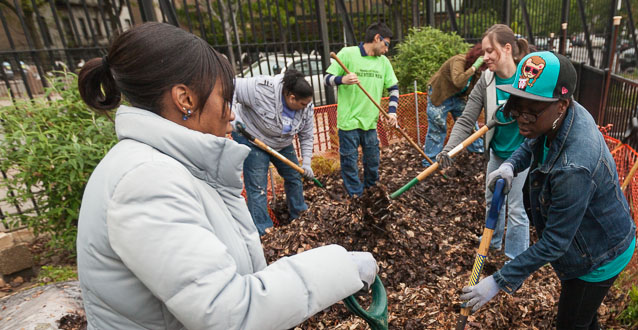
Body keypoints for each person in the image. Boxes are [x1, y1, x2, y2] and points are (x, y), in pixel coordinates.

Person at [76, 22, 378, 330]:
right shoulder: (146, 183)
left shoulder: (171, 169)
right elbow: (230, 314)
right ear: (185, 99)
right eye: (224, 99)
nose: (232, 114)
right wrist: (340, 267)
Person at [460, 51, 636, 330]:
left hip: (597, 255)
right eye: (517, 106)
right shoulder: (558, 119)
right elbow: (533, 141)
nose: (522, 119)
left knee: (571, 323)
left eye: (532, 110)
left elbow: (555, 242)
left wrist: (498, 281)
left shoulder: (574, 167)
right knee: (584, 319)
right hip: (584, 241)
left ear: (562, 105)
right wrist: (510, 166)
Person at [438, 24, 533, 260]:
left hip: (523, 155)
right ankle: (492, 242)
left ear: (508, 48)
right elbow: (466, 119)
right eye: (484, 51)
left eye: (490, 51)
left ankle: (514, 259)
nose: (485, 56)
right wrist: (449, 149)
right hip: (497, 153)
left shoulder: (527, 77)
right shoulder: (487, 81)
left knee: (518, 210)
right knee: (493, 201)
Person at [231, 69, 315, 236]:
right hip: (252, 138)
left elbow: (306, 135)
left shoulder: (307, 106)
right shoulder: (261, 89)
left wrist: (306, 162)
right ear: (291, 98)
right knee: (258, 188)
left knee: (294, 177)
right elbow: (229, 86)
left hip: (281, 142)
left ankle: (298, 215)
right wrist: (232, 116)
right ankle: (265, 230)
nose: (306, 107)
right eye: (303, 104)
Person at [324, 22, 399, 197]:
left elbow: (393, 88)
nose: (387, 50)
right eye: (386, 44)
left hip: (370, 122)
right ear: (377, 38)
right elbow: (326, 79)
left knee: (372, 162)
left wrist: (392, 112)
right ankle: (356, 196)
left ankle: (371, 191)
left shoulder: (384, 63)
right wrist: (342, 80)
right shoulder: (347, 54)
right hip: (348, 122)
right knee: (349, 163)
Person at [421, 44, 487, 167]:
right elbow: (458, 81)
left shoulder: (480, 72)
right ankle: (430, 162)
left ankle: (478, 153)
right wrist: (474, 67)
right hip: (440, 96)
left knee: (470, 123)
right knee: (438, 128)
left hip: (458, 98)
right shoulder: (459, 61)